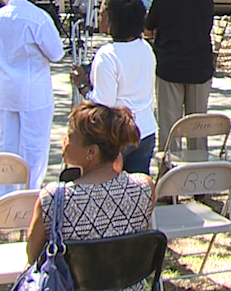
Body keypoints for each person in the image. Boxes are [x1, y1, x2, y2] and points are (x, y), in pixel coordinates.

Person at [27, 102, 154, 291]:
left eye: (70, 136)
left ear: (91, 152)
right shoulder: (144, 187)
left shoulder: (53, 198)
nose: (64, 140)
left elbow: (33, 257)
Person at [0, 0, 65, 195]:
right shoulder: (38, 17)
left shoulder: (0, 15)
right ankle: (30, 191)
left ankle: (5, 192)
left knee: (7, 142)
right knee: (34, 143)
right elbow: (56, 53)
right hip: (34, 88)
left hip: (8, 87)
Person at [69, 0, 157, 175]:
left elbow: (103, 104)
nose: (98, 18)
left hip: (117, 135)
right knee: (136, 191)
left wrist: (83, 87)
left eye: (101, 14)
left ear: (111, 20)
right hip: (146, 129)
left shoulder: (107, 55)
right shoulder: (146, 48)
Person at [145, 0, 214, 151]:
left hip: (170, 67)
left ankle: (169, 169)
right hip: (200, 67)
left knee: (169, 124)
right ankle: (199, 166)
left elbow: (149, 29)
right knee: (198, 125)